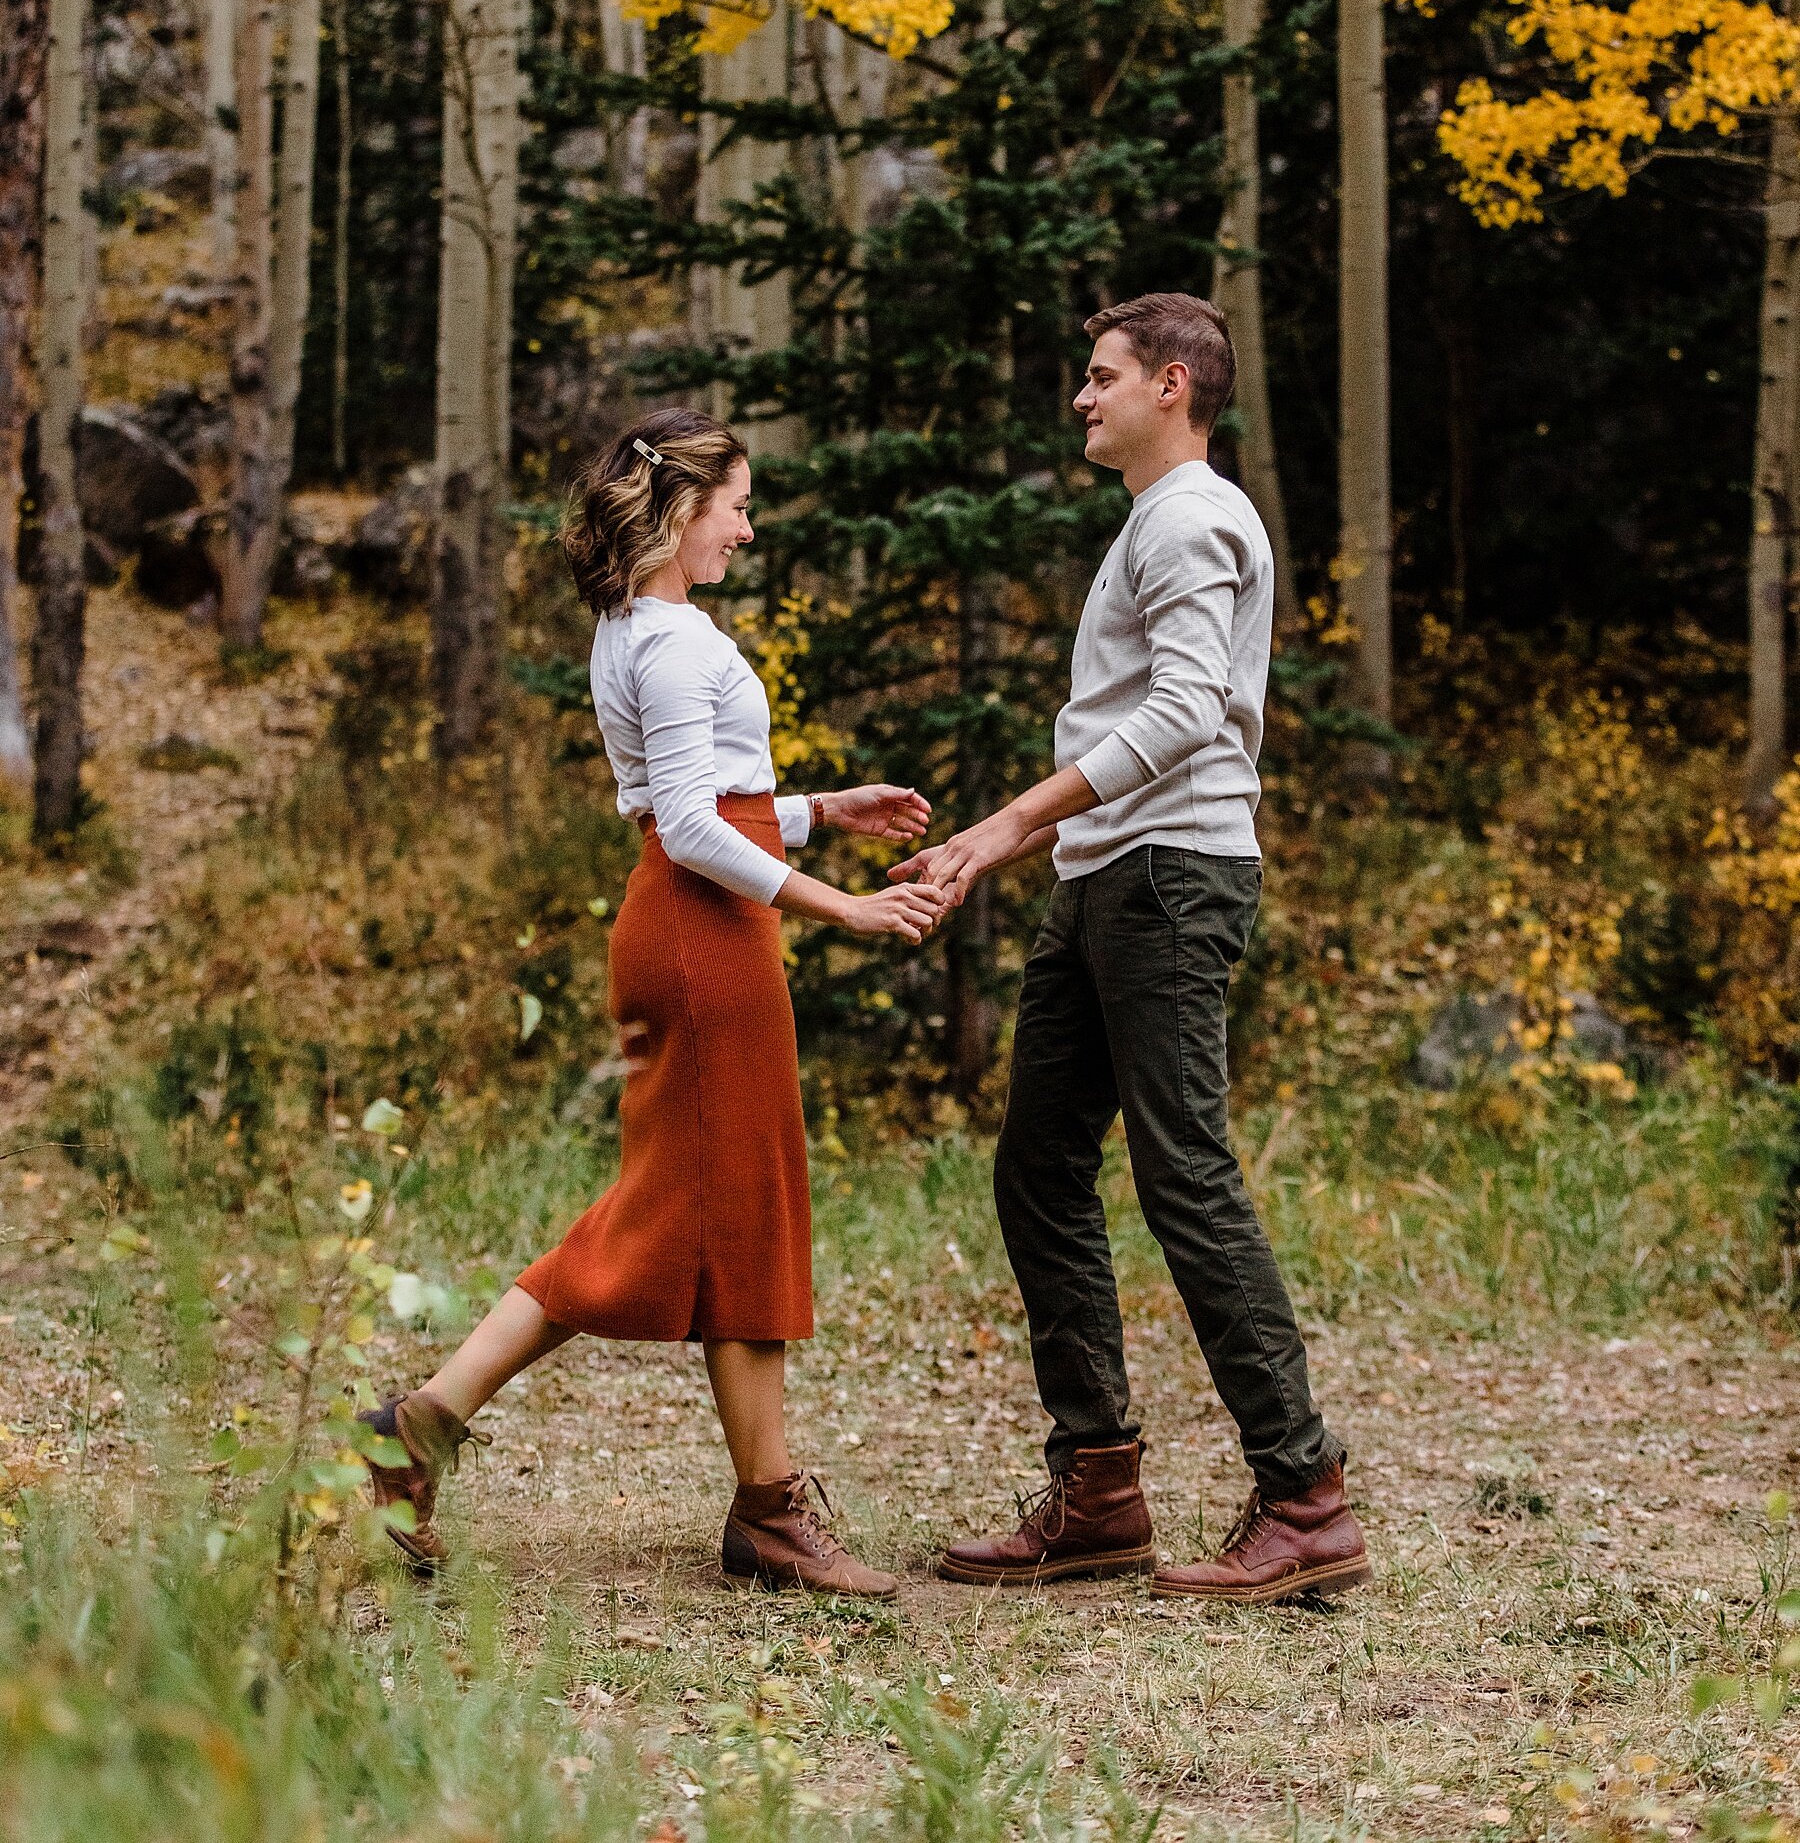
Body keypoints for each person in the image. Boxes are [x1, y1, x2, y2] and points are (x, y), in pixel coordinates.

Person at [362, 408, 948, 1599]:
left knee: (697, 1206)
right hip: (700, 937)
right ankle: (769, 1511)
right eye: (736, 501)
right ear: (681, 510)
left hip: (698, 925)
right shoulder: (673, 642)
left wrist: (824, 807)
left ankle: (424, 1430)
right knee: (734, 1206)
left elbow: (708, 801)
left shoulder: (647, 626)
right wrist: (841, 905)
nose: (748, 522)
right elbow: (686, 825)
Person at [893, 294, 1369, 1605]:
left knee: (1186, 1174)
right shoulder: (1153, 520)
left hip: (1173, 873)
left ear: (1173, 383)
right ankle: (1098, 1487)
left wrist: (1001, 827)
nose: (1079, 396)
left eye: (1101, 377)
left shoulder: (1197, 516)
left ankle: (1303, 1493)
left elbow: (1185, 711)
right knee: (1041, 1161)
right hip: (1110, 877)